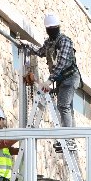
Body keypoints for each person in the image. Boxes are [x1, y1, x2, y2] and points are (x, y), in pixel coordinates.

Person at [33, 12, 79, 150]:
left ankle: (68, 140)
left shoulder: (65, 41)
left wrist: (49, 80)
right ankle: (69, 138)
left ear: (58, 27)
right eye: (50, 29)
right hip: (61, 80)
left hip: (70, 78)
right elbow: (41, 52)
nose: (52, 31)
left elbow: (62, 63)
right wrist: (27, 46)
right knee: (67, 109)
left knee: (64, 106)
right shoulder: (49, 43)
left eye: (53, 28)